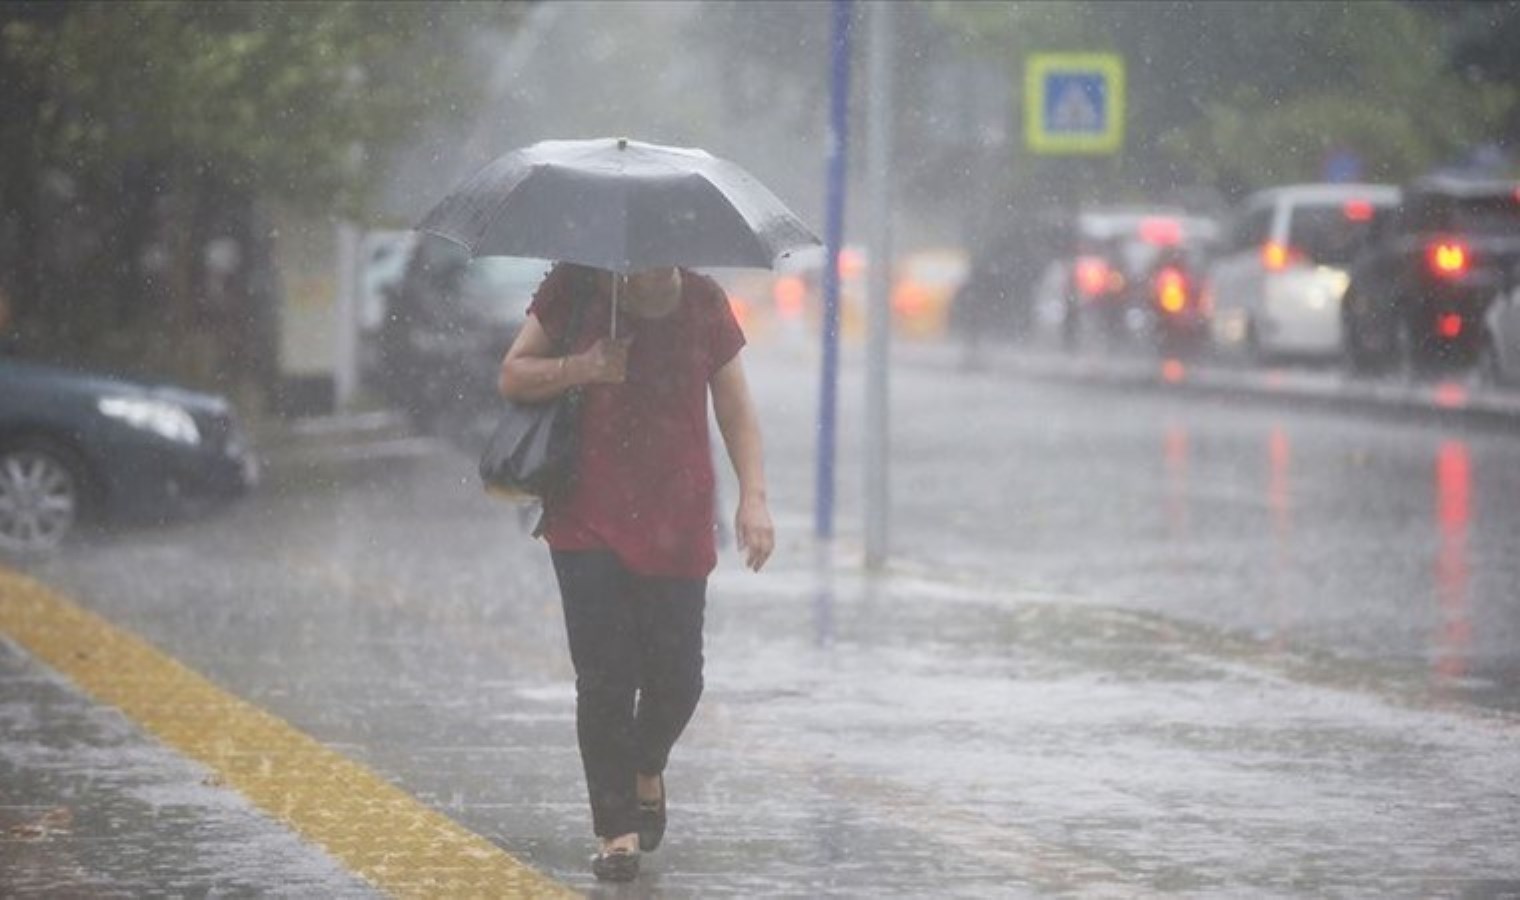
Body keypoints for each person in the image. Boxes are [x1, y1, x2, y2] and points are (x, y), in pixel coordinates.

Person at [497, 262, 774, 882]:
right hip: (586, 515)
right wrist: (584, 366)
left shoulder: (703, 301)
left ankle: (646, 765)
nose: (651, 261)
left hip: (677, 515)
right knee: (606, 678)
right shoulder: (577, 287)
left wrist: (753, 496)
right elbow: (513, 375)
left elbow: (734, 407)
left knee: (680, 678)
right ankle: (614, 829)